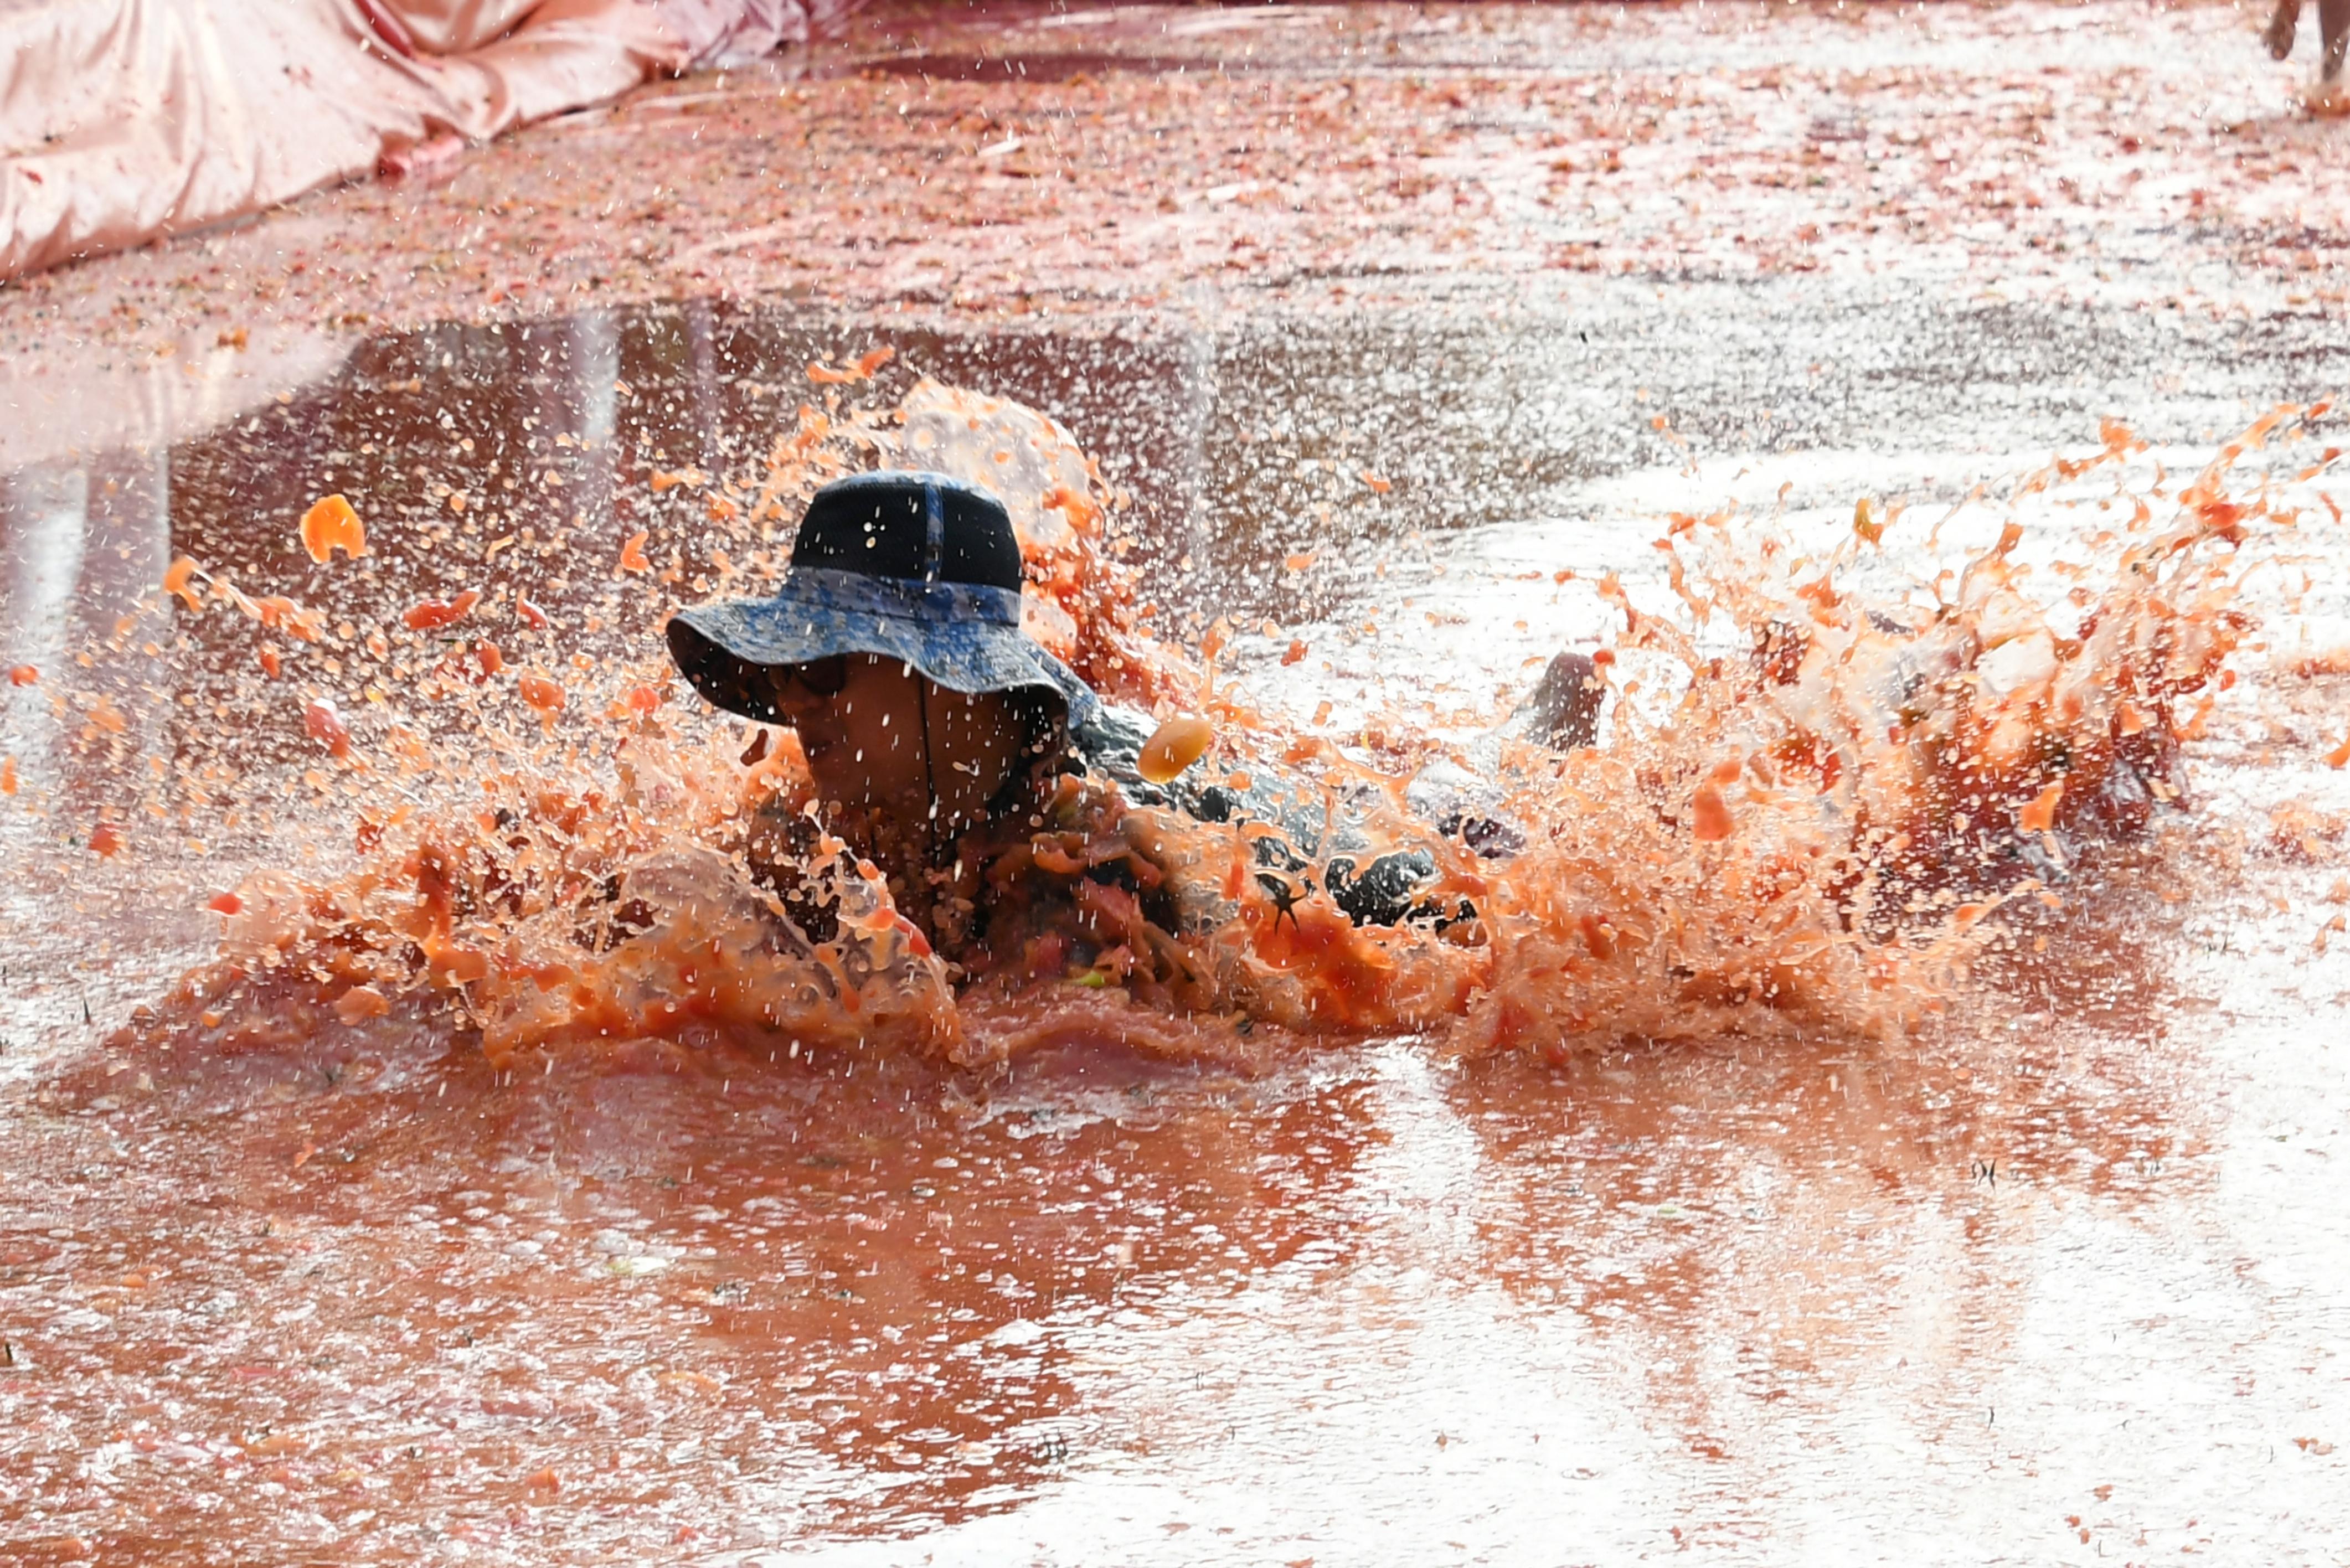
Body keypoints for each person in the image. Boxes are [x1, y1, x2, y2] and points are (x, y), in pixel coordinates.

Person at [665, 471, 1599, 983]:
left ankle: (1531, 741)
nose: (798, 703)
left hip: (1365, 845)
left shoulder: (1114, 840)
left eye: (825, 667)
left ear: (946, 683)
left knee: (1453, 836)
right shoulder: (856, 796)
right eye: (787, 673)